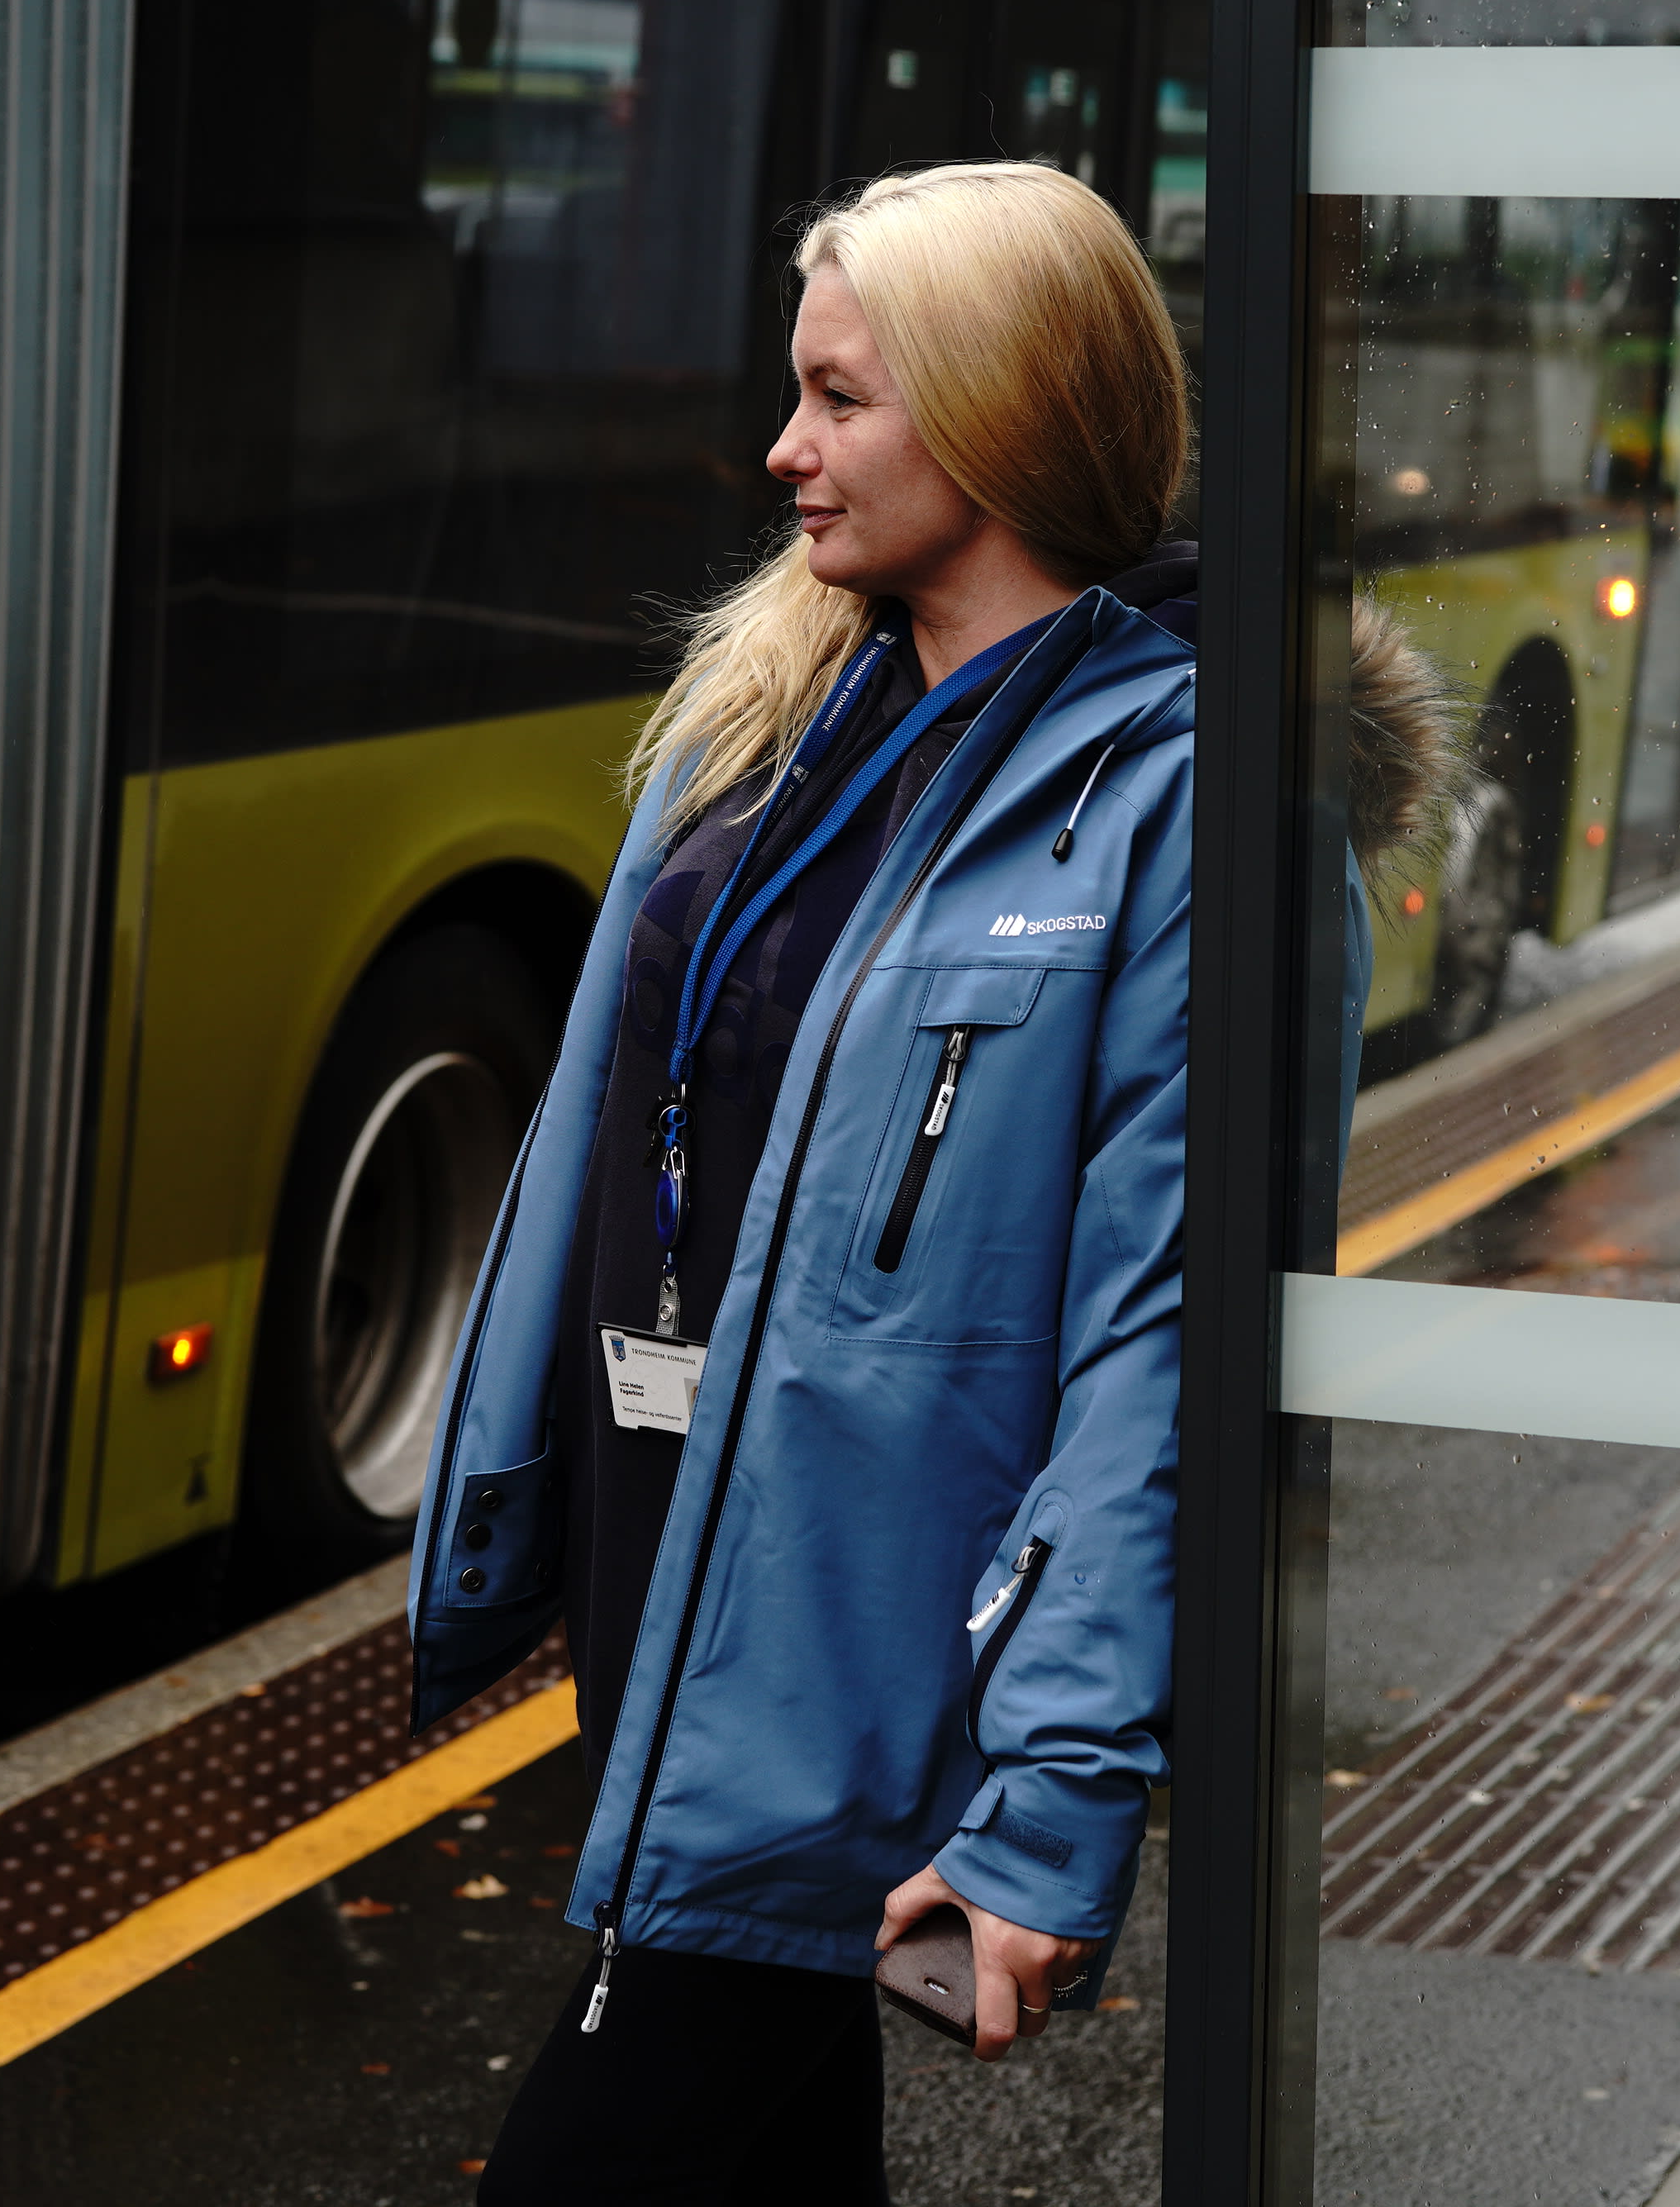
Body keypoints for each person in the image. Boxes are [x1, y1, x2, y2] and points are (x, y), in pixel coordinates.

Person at [412, 160, 1443, 2202]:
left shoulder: (1194, 813)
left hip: (870, 1671)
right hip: (679, 1593)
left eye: (840, 399)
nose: (783, 450)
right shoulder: (769, 719)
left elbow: (1165, 1350)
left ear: (1000, 413)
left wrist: (1055, 1797)